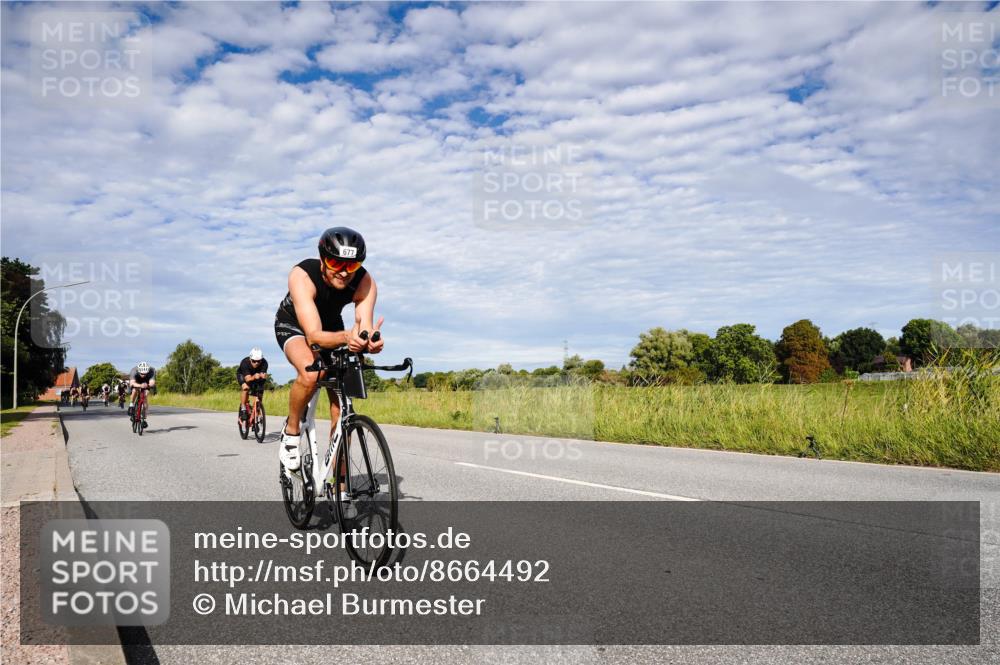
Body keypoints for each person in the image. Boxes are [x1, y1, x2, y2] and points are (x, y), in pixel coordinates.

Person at [274, 227, 383, 471]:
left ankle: (341, 488)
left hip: (332, 326)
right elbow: (313, 337)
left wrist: (369, 340)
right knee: (312, 372)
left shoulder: (365, 281)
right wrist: (347, 336)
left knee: (344, 408)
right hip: (294, 324)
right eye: (336, 262)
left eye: (352, 265)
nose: (344, 272)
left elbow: (363, 326)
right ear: (323, 258)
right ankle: (291, 432)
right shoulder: (302, 275)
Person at [237, 347, 269, 417]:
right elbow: (248, 379)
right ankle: (243, 407)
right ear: (250, 359)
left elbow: (263, 375)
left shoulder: (264, 363)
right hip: (243, 376)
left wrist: (264, 376)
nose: (256, 363)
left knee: (259, 391)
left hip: (256, 376)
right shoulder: (244, 362)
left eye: (259, 361)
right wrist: (254, 377)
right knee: (246, 387)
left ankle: (256, 410)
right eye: (254, 361)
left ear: (261, 360)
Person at [128, 361, 156, 426]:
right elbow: (132, 383)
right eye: (142, 373)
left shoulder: (152, 370)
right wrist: (140, 386)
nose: (143, 375)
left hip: (146, 382)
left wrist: (148, 385)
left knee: (145, 396)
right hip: (137, 381)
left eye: (145, 373)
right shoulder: (134, 370)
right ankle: (131, 405)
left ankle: (144, 418)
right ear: (139, 370)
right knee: (134, 390)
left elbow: (152, 382)